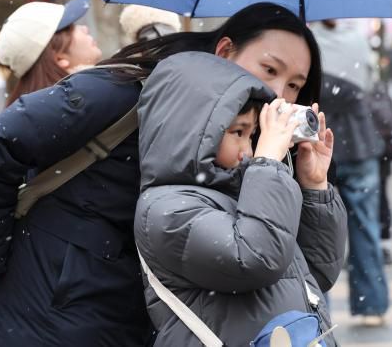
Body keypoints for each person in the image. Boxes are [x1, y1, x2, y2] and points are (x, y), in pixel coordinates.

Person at [0, 2, 347, 346]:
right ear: (225, 51)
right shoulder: (127, 92)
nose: (279, 91)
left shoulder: (252, 144)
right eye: (269, 69)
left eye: (294, 84)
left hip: (138, 319)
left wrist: (311, 186)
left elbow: (296, 266)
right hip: (51, 309)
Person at [135, 51, 343, 347]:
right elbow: (257, 258)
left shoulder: (247, 187)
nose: (247, 148)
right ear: (194, 131)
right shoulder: (165, 211)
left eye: (253, 134)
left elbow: (316, 271)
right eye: (237, 132)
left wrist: (314, 187)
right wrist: (269, 163)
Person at [311, 19, 389, 326]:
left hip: (318, 140)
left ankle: (318, 311)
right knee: (365, 225)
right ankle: (371, 304)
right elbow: (370, 85)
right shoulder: (358, 39)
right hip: (359, 139)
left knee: (315, 229)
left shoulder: (308, 39)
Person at [0, 0, 103, 105]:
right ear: (59, 59)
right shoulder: (92, 101)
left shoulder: (40, 111)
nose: (85, 28)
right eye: (70, 29)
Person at [368, 80, 392, 265]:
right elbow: (391, 126)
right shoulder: (377, 88)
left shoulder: (371, 90)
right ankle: (382, 244)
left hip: (372, 154)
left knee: (376, 201)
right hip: (379, 154)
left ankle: (379, 245)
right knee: (380, 200)